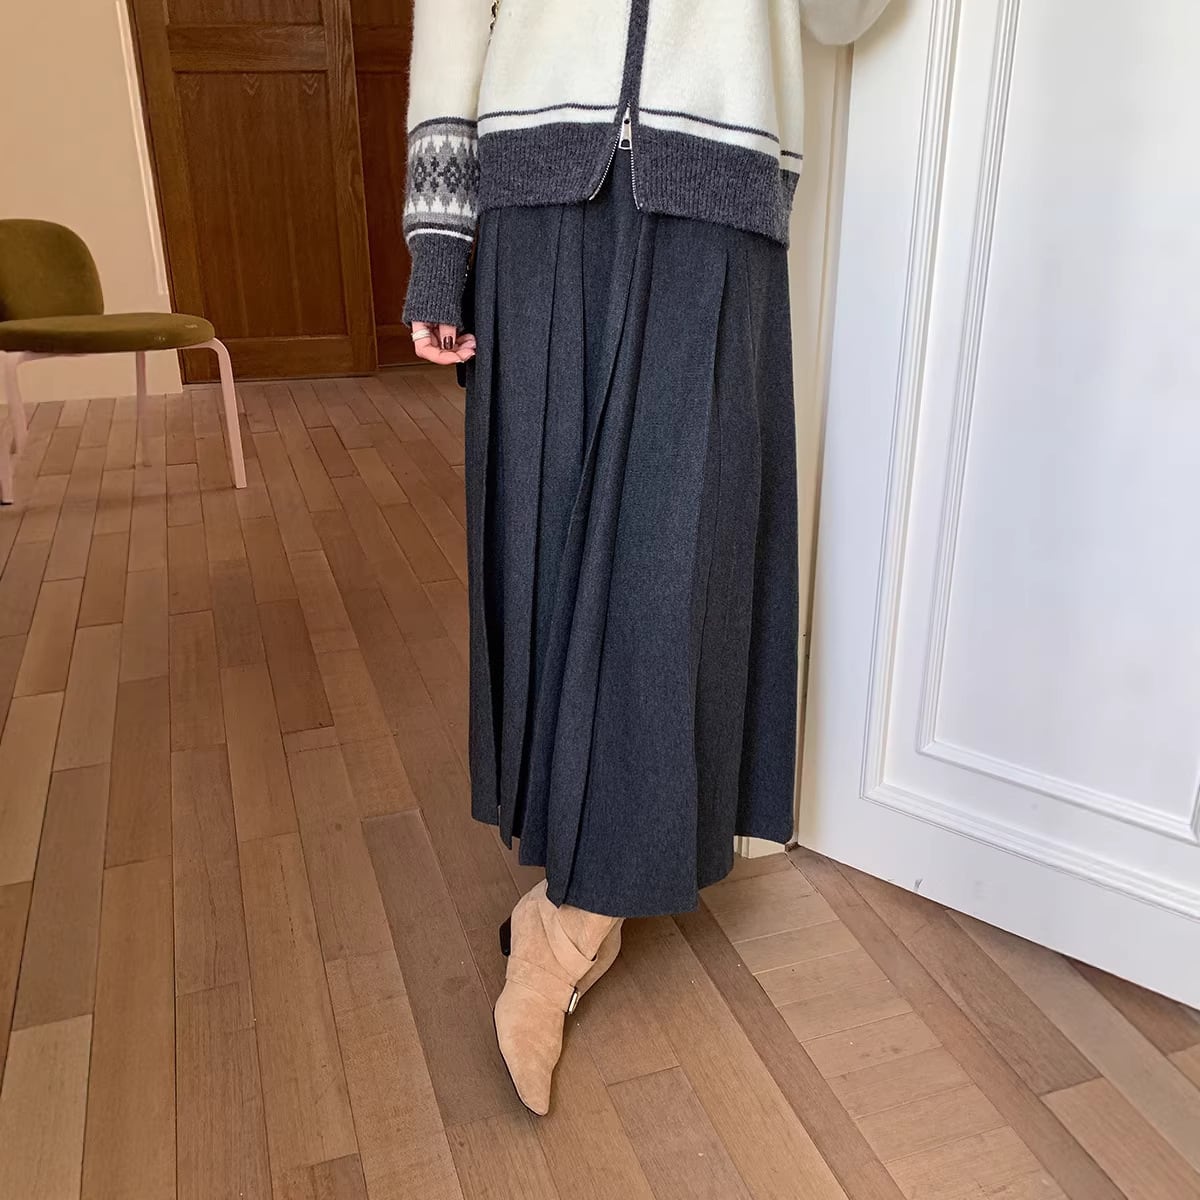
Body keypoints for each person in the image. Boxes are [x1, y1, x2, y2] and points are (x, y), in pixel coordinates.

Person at [403, 0, 891, 1115]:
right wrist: (440, 238)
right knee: (545, 552)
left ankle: (569, 926)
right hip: (535, 189)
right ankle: (583, 891)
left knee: (678, 563)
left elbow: (843, 17)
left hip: (716, 189)